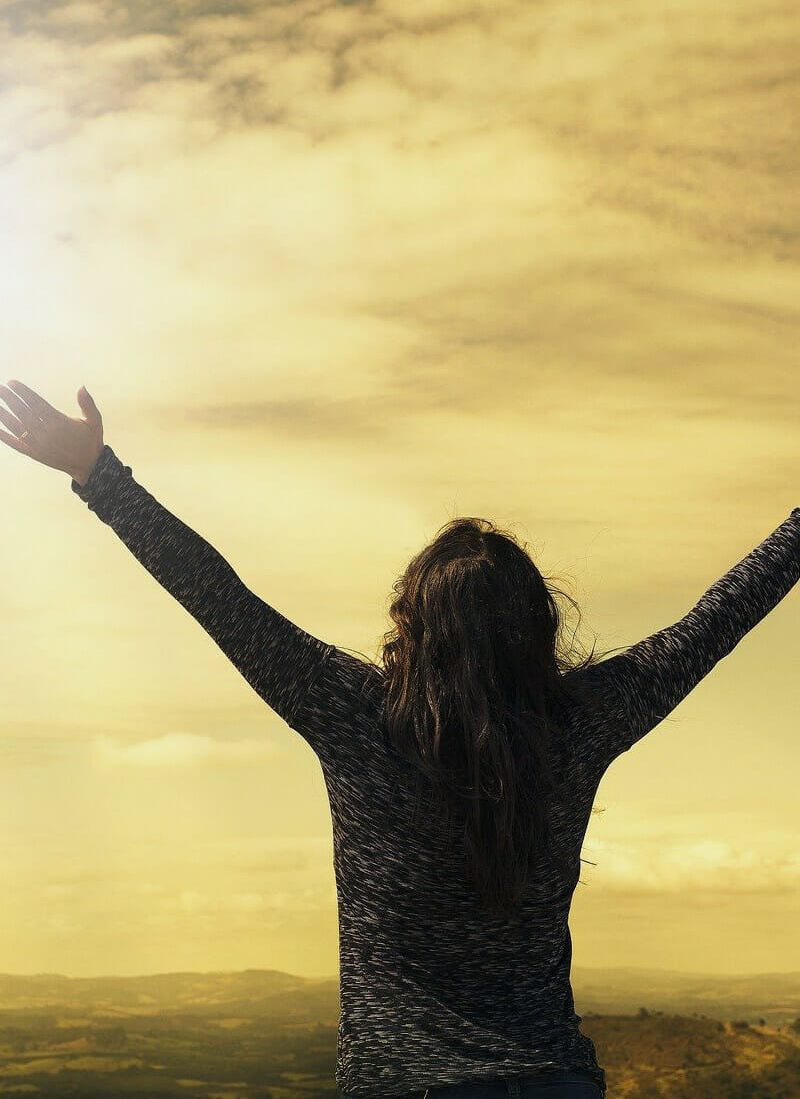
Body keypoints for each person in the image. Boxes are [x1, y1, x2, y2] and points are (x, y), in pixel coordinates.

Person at [1, 378, 798, 1099]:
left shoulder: (355, 715)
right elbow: (714, 621)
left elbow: (220, 597)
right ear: (538, 626)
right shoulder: (581, 723)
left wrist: (100, 477)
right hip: (555, 1080)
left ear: (410, 626)